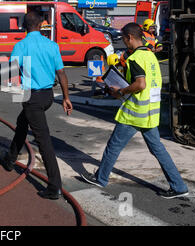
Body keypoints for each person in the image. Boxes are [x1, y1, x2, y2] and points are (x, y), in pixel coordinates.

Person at [81, 23, 188, 199]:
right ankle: (178, 186)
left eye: (123, 39)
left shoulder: (135, 58)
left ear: (129, 37)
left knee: (113, 147)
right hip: (150, 112)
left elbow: (140, 84)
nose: (124, 42)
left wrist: (120, 91)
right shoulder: (151, 56)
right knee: (158, 149)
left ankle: (101, 178)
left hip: (134, 112)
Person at [0, 10, 73, 200]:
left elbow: (11, 71)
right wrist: (66, 98)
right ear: (41, 25)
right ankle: (10, 158)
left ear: (24, 27)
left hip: (31, 97)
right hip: (48, 96)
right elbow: (61, 73)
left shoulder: (21, 46)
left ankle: (54, 186)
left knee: (43, 140)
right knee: (22, 122)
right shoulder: (52, 45)